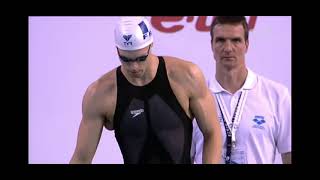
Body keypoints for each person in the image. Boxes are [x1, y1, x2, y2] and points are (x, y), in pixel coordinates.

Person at [70, 16, 222, 164]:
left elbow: (212, 132)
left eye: (141, 58)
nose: (134, 67)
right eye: (126, 59)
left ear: (151, 45)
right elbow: (81, 158)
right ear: (117, 51)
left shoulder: (186, 76)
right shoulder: (100, 94)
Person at [191, 16, 291, 164]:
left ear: (247, 45)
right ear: (211, 45)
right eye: (220, 40)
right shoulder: (194, 99)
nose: (228, 48)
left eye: (236, 40)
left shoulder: (277, 95)